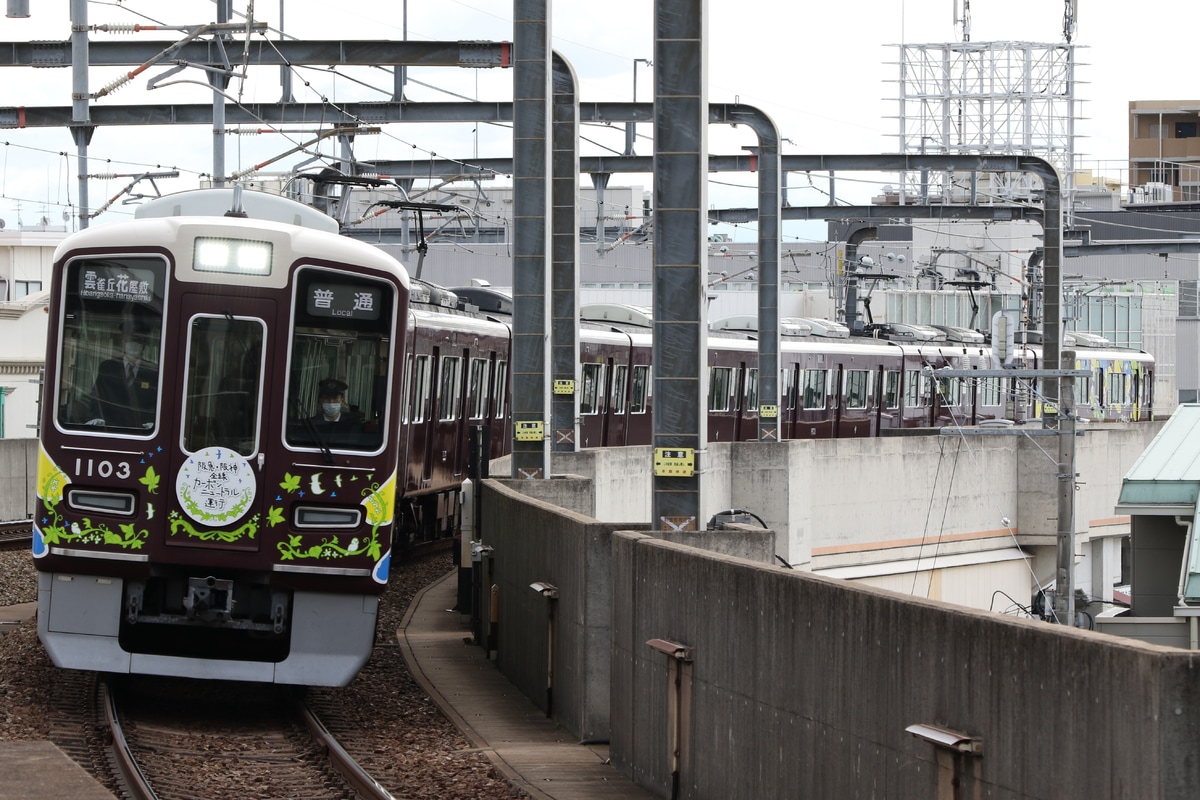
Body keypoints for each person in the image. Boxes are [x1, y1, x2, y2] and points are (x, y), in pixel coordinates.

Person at [88, 329, 158, 430]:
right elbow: (97, 396)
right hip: (111, 428)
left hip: (142, 430)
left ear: (145, 344)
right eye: (131, 339)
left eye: (139, 339)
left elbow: (158, 401)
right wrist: (96, 418)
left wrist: (154, 422)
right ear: (123, 341)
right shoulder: (108, 367)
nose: (134, 342)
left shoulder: (153, 371)